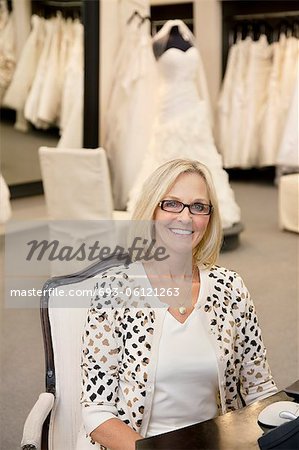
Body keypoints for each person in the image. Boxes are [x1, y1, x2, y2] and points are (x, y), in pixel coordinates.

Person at [80, 159, 277, 450]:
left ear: (209, 217)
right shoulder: (114, 290)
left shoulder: (230, 288)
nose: (186, 218)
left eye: (198, 207)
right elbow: (97, 412)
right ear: (151, 211)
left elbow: (260, 389)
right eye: (172, 204)